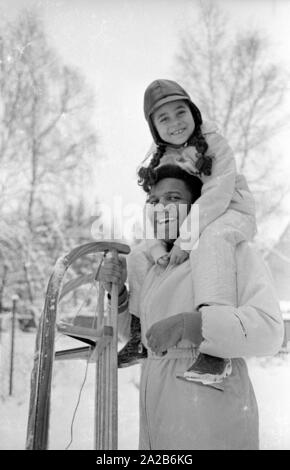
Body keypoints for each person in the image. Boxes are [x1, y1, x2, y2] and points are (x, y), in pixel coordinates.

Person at [100, 164, 284, 450]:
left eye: (173, 198)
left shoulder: (230, 250)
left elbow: (270, 331)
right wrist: (119, 295)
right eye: (154, 201)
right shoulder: (153, 264)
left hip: (211, 414)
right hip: (157, 410)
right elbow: (141, 338)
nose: (161, 206)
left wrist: (193, 326)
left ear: (197, 208)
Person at [133, 78, 258, 383]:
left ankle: (217, 345)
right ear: (154, 127)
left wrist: (186, 240)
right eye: (164, 118)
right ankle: (137, 332)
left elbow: (216, 193)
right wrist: (156, 247)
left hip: (229, 211)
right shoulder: (160, 159)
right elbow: (153, 208)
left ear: (193, 113)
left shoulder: (214, 143)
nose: (175, 123)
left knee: (211, 241)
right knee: (138, 254)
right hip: (191, 219)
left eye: (180, 112)